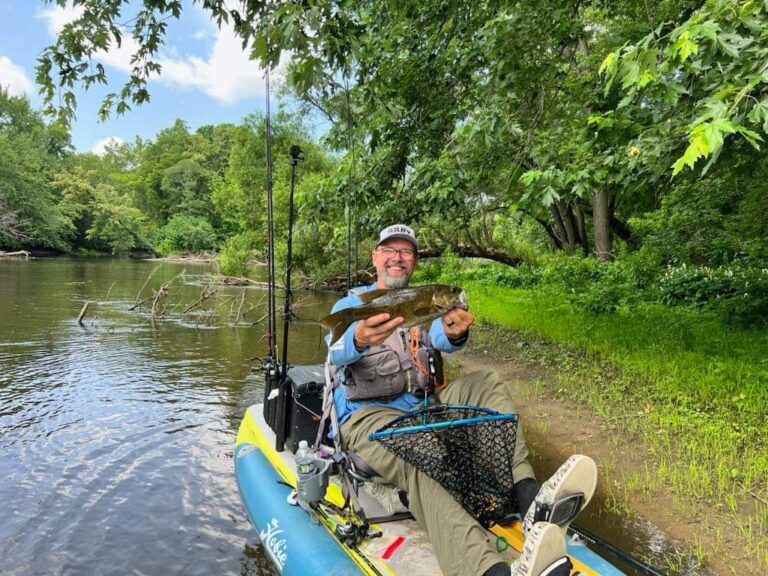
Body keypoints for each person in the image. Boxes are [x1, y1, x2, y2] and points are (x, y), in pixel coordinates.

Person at [325, 224, 597, 576]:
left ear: (415, 262)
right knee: (419, 452)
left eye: (406, 252)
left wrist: (457, 331)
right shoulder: (351, 304)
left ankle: (530, 501)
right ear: (375, 257)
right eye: (389, 250)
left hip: (425, 407)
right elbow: (333, 351)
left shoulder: (423, 302)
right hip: (368, 418)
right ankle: (488, 571)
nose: (397, 257)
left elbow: (441, 333)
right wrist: (358, 339)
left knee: (486, 382)